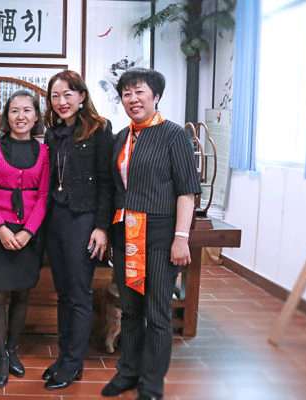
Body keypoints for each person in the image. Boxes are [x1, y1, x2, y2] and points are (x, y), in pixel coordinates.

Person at [101, 68, 201, 400]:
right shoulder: (122, 137)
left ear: (155, 96)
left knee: (157, 313)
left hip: (159, 235)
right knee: (130, 309)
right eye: (126, 94)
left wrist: (181, 237)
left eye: (139, 92)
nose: (132, 99)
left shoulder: (174, 135)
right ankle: (128, 372)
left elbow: (187, 191)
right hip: (125, 234)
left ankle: (152, 382)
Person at [41, 70, 114, 390]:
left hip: (83, 220)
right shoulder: (53, 133)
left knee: (79, 293)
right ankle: (64, 358)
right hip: (55, 218)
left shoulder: (99, 129)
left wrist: (101, 227)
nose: (62, 101)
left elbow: (107, 183)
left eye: (68, 94)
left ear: (82, 96)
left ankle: (74, 363)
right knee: (63, 293)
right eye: (55, 96)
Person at [0, 90, 50, 387]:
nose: (21, 116)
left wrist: (28, 231)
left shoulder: (45, 152)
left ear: (36, 116)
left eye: (27, 110)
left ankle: (12, 349)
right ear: (6, 116)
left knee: (22, 293)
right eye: (14, 111)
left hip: (30, 232)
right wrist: (1, 228)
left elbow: (43, 196)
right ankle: (1, 356)